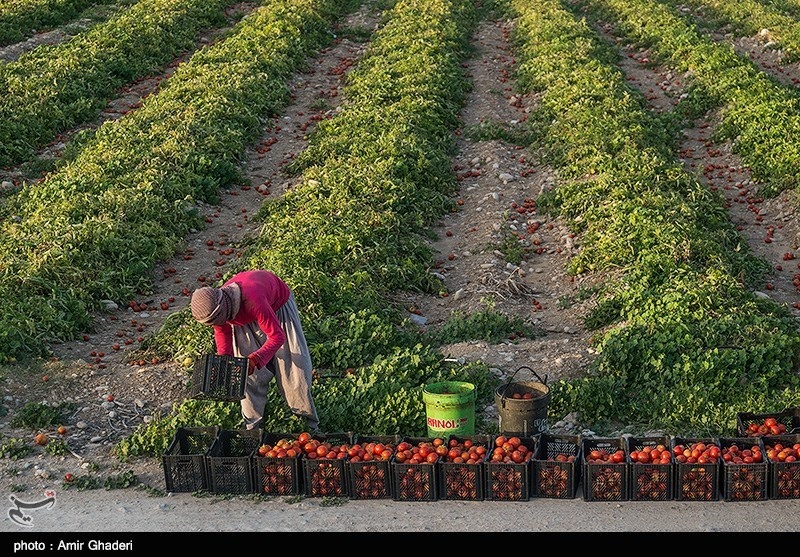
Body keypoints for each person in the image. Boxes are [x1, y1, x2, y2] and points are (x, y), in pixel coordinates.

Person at [190, 269, 319, 432]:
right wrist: (225, 362)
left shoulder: (252, 299)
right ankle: (253, 429)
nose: (215, 324)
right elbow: (222, 332)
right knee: (245, 374)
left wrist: (256, 359)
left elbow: (277, 336)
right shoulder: (217, 304)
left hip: (278, 309)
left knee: (293, 369)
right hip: (243, 316)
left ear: (222, 310)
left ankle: (307, 426)